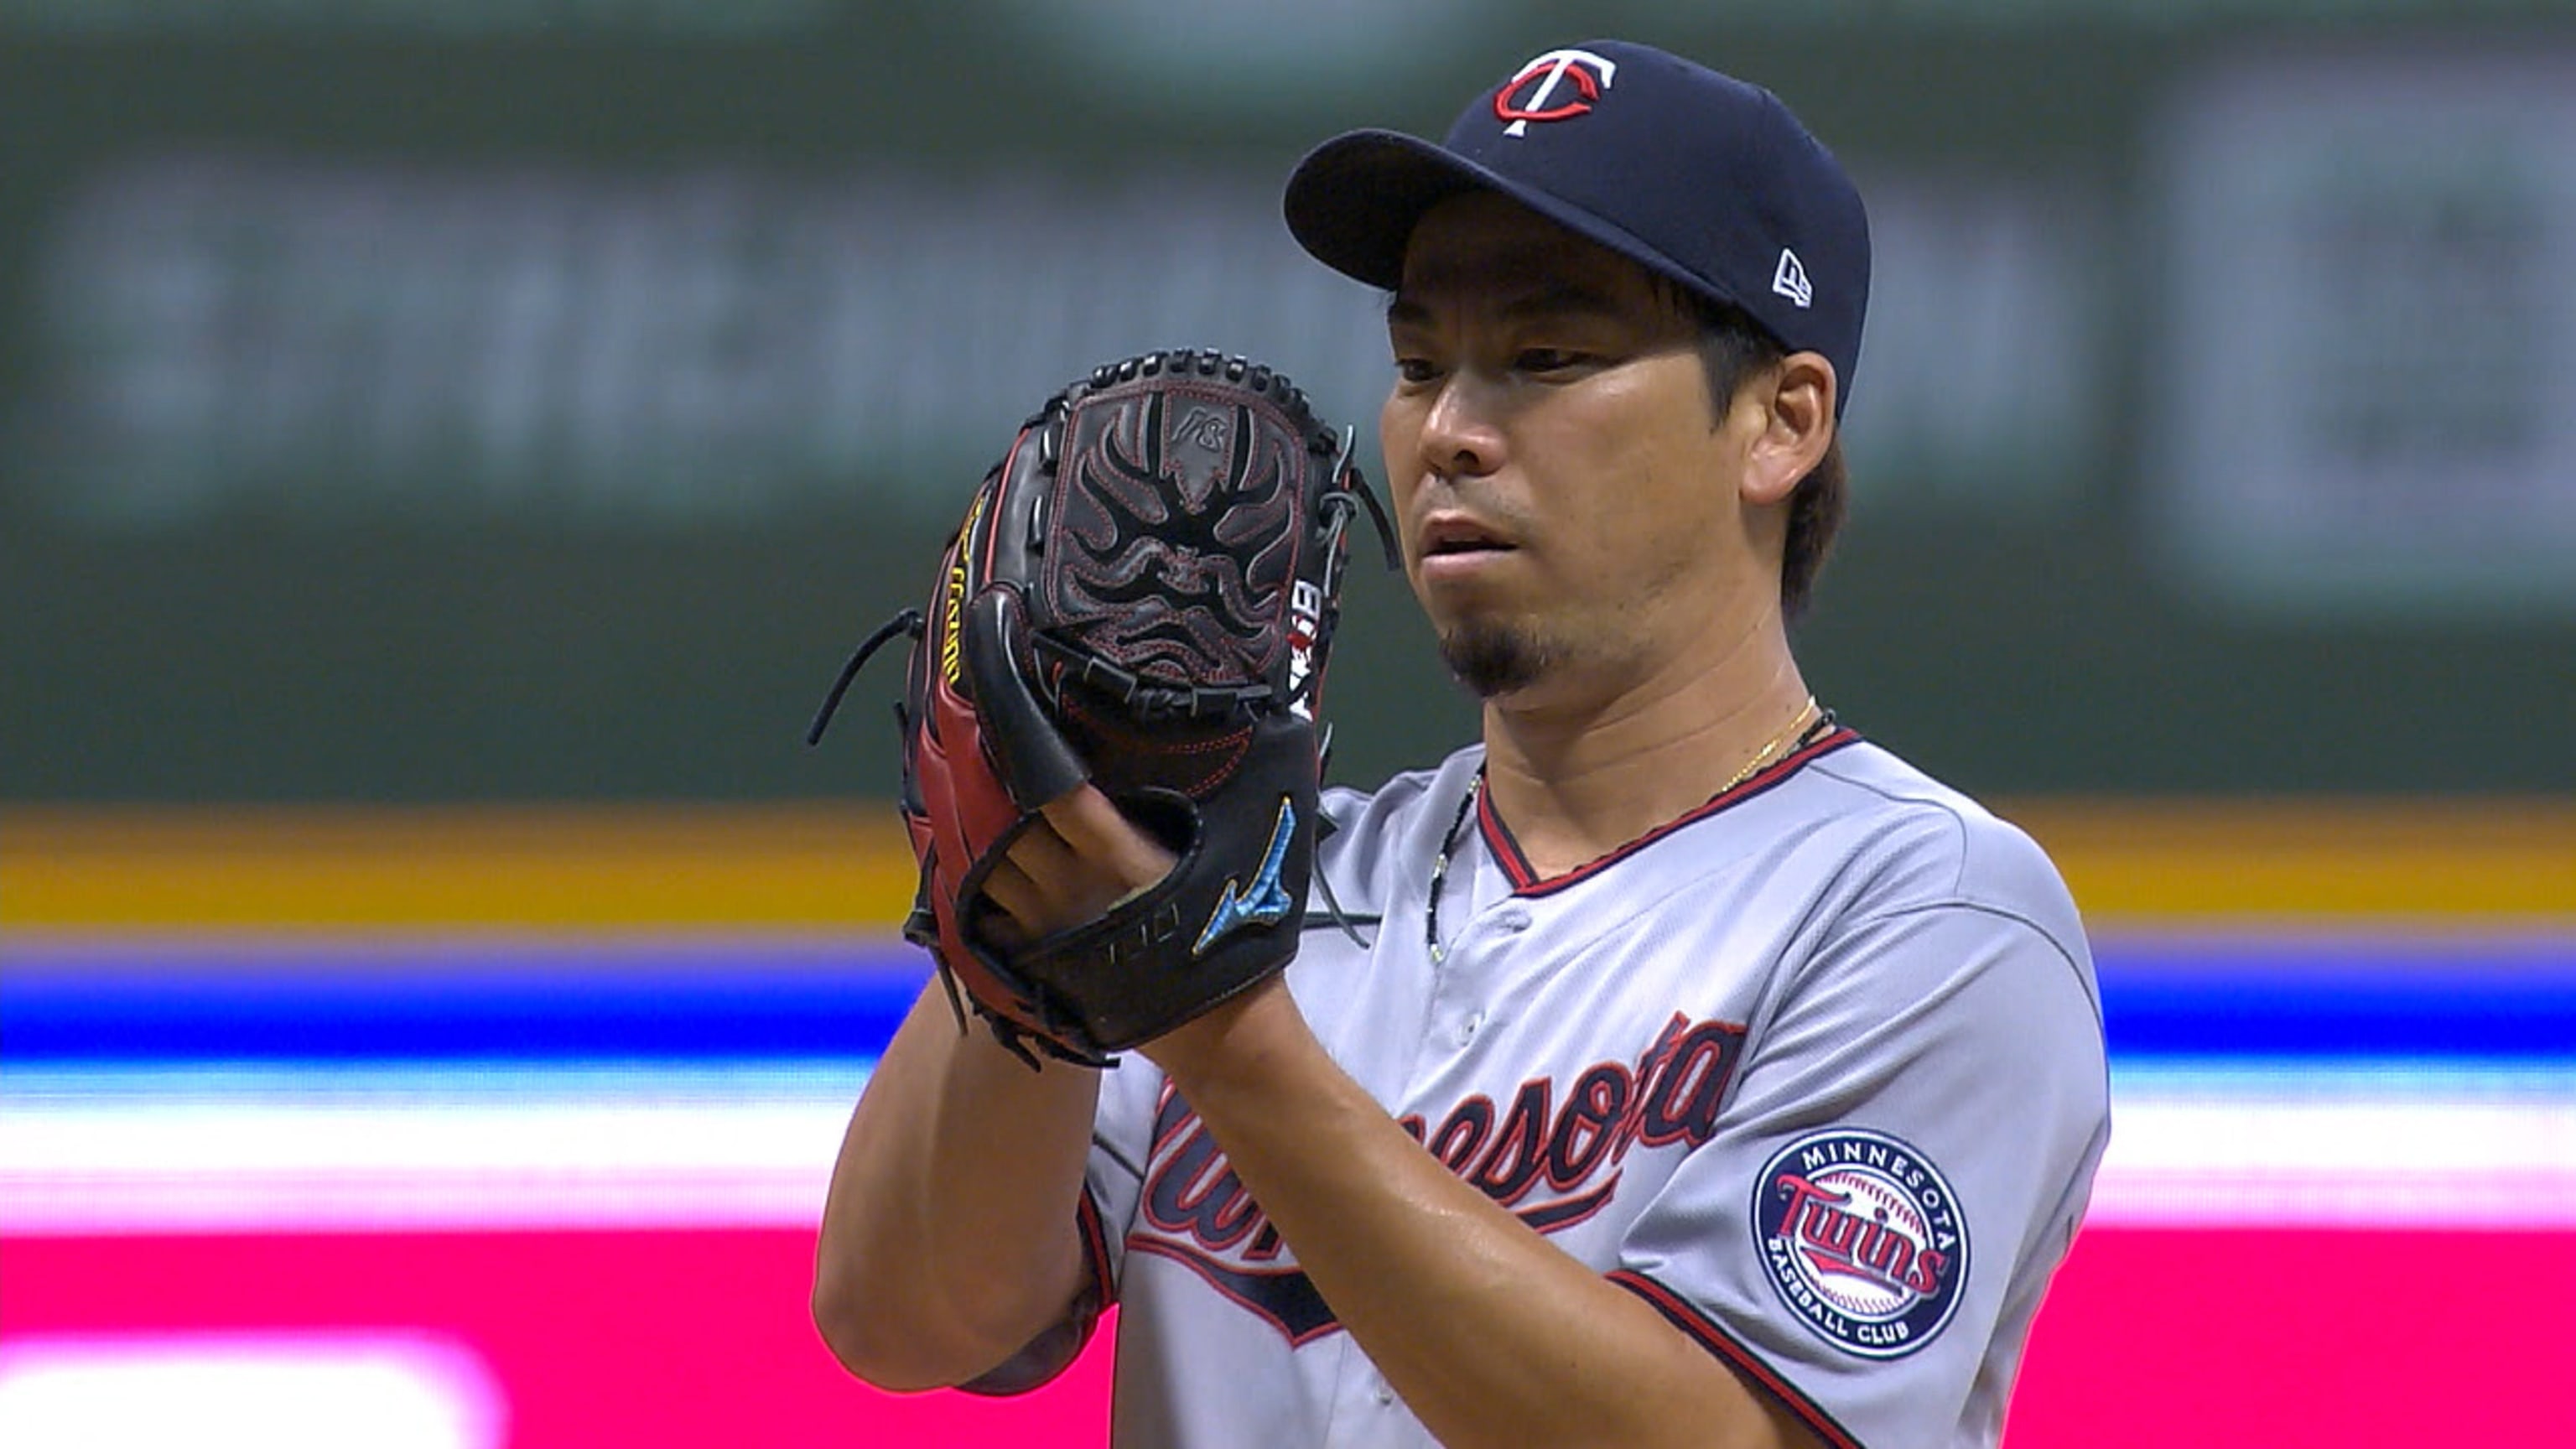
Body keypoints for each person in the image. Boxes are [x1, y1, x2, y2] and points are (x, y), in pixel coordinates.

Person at [813, 39, 2110, 1449]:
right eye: (1421, 364)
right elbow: (910, 1319)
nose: (1452, 432)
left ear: (1779, 422)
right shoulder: (1280, 877)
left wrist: (1222, 1034)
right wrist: (1027, 938)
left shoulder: (1930, 911)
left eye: (1547, 357)